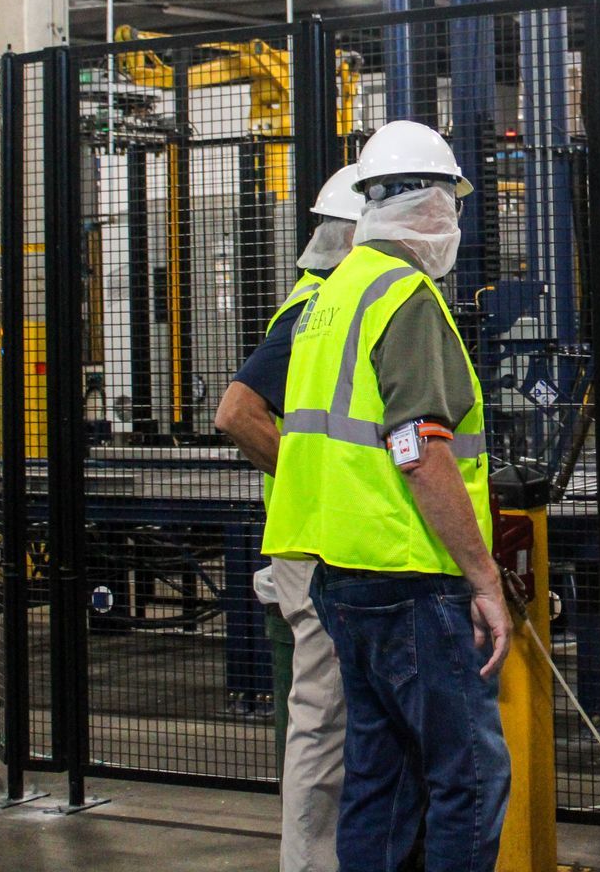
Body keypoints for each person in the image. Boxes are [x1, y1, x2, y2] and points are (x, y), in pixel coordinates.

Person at [263, 120, 511, 872]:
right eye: (452, 206)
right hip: (411, 577)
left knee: (382, 776)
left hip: (342, 576)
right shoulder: (405, 297)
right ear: (431, 207)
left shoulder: (329, 298)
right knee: (469, 775)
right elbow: (417, 449)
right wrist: (486, 578)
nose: (454, 225)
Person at [216, 162, 365, 872]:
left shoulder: (331, 300)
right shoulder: (318, 309)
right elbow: (236, 413)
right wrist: (315, 484)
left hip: (335, 543)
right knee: (324, 725)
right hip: (315, 548)